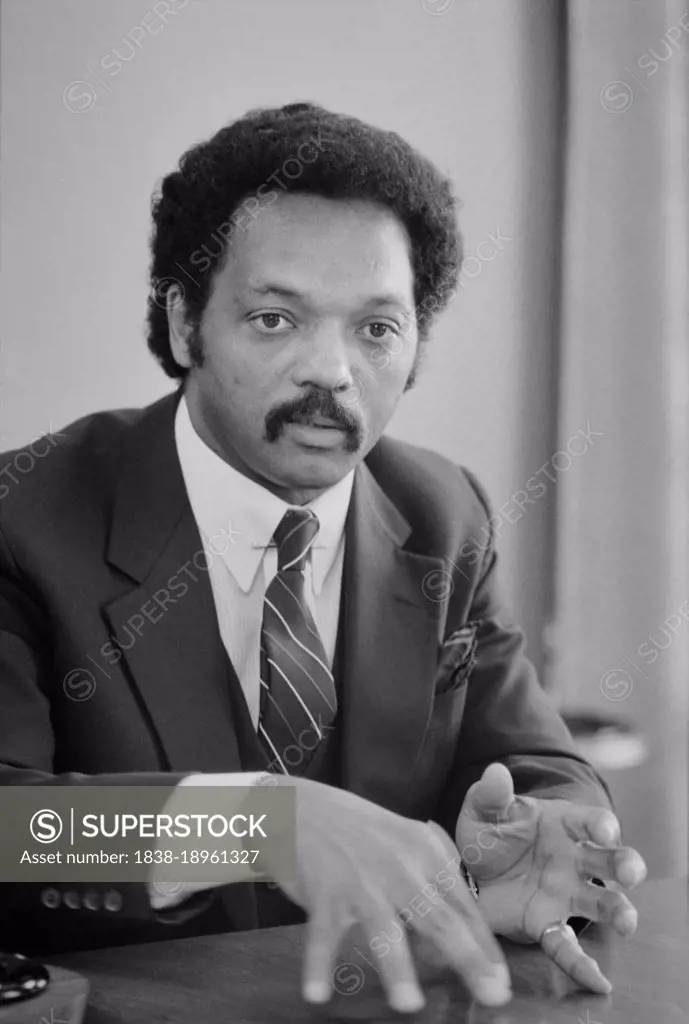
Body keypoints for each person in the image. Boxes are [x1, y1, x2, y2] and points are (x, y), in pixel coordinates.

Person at [0, 102, 646, 1014]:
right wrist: (258, 823)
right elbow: (8, 825)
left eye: (376, 329)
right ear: (186, 324)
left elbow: (531, 757)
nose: (331, 372)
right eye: (274, 319)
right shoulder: (26, 511)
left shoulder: (443, 512)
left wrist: (539, 836)